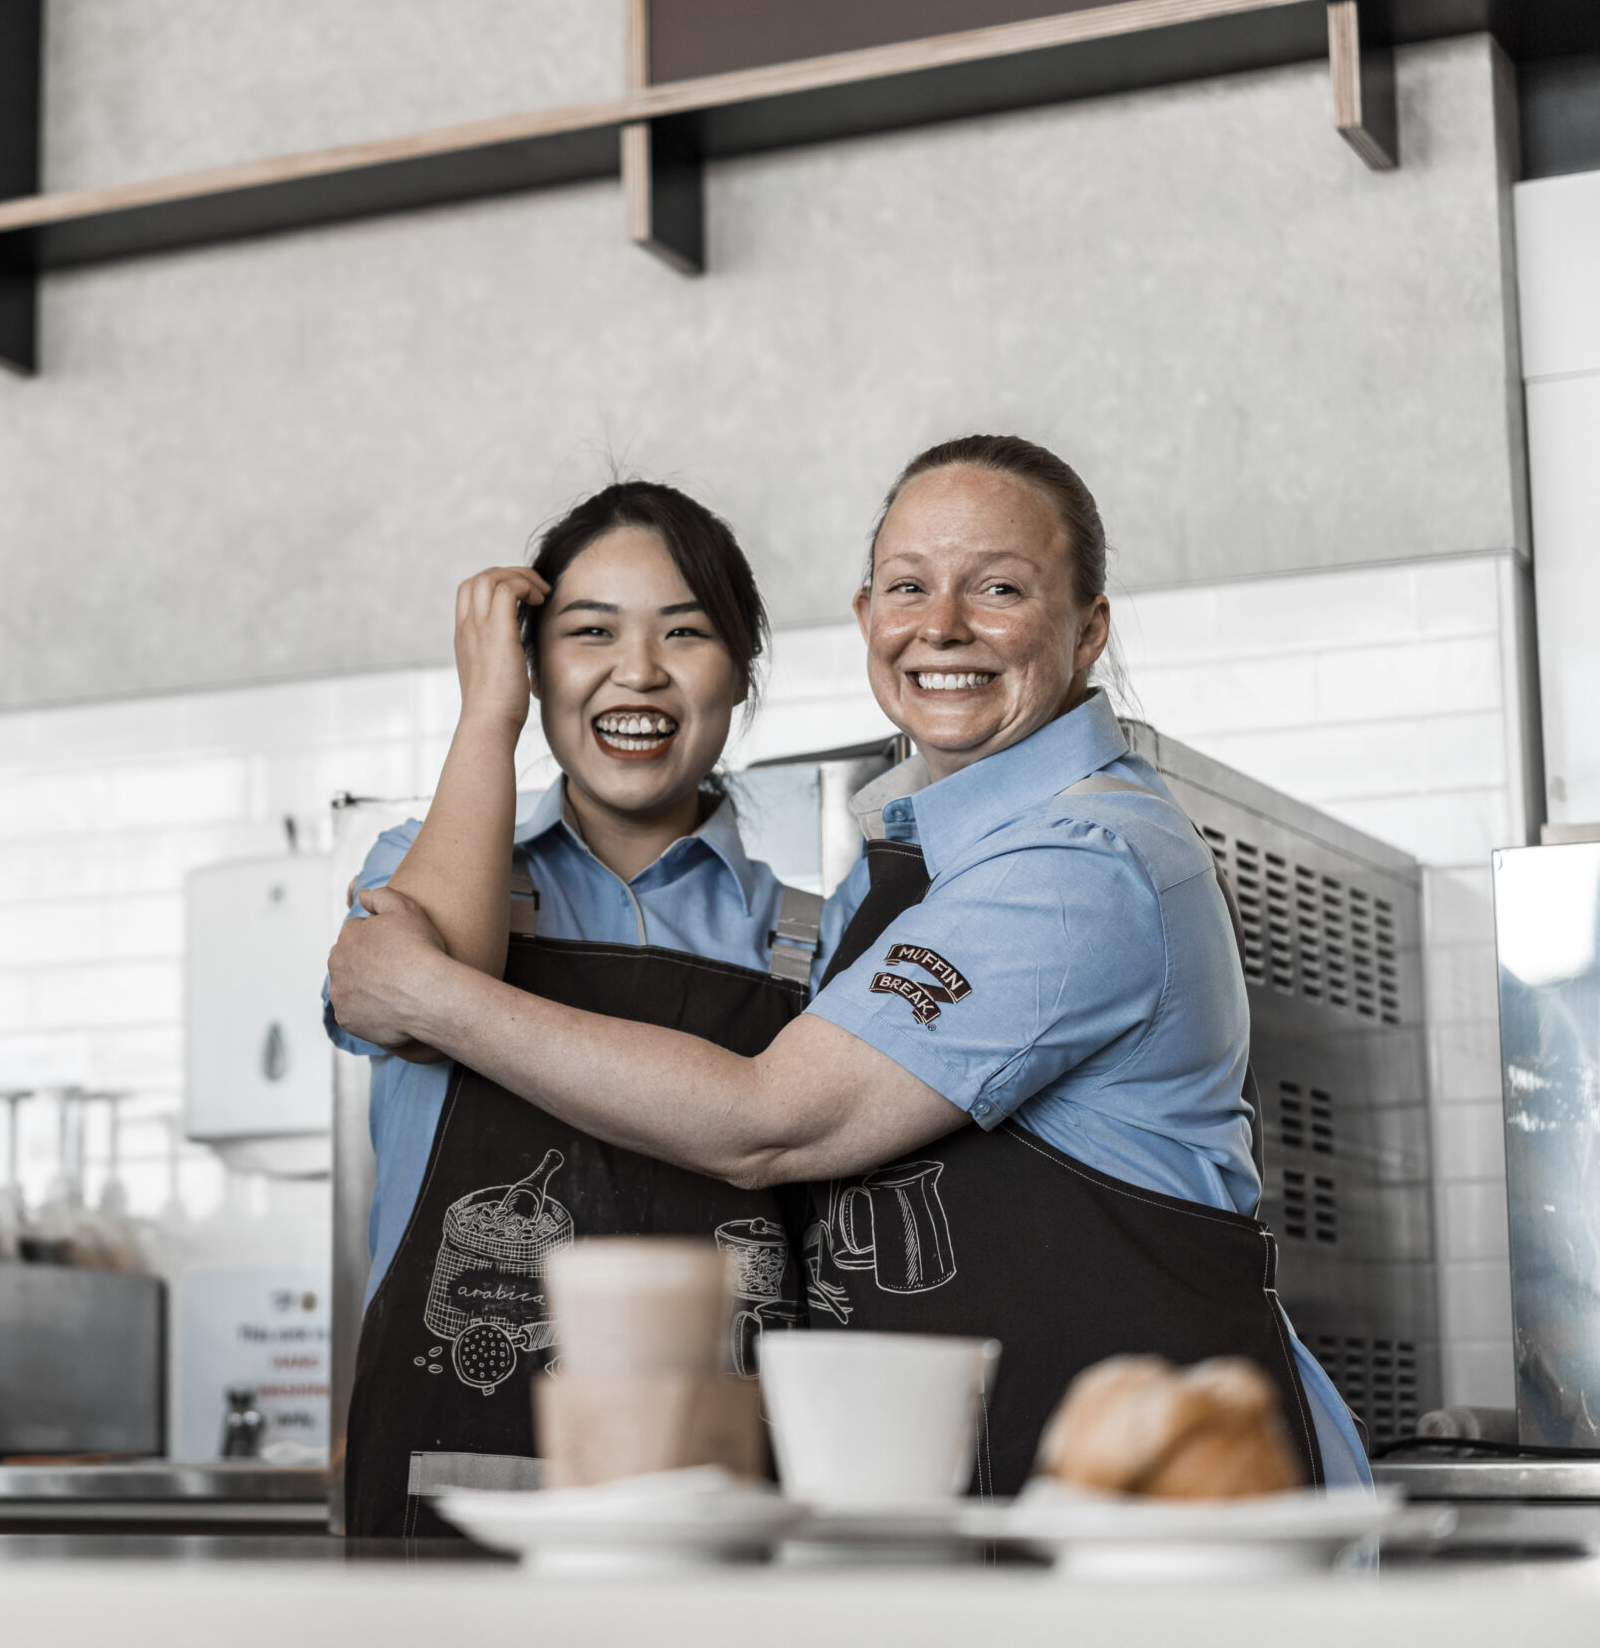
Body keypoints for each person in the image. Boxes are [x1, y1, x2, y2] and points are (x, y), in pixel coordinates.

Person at [330, 436, 1373, 1491]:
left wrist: (427, 986)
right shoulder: (897, 885)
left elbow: (768, 1118)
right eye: (908, 586)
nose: (942, 624)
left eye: (1000, 587)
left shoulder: (1054, 866)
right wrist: (484, 717)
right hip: (479, 1484)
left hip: (1122, 1493)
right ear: (866, 617)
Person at [325, 482, 826, 1537]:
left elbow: (429, 984)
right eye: (587, 633)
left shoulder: (814, 937)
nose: (635, 671)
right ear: (533, 664)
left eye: (684, 634)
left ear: (741, 671)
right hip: (451, 1505)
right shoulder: (419, 879)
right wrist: (485, 716)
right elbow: (417, 1007)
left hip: (724, 1514)